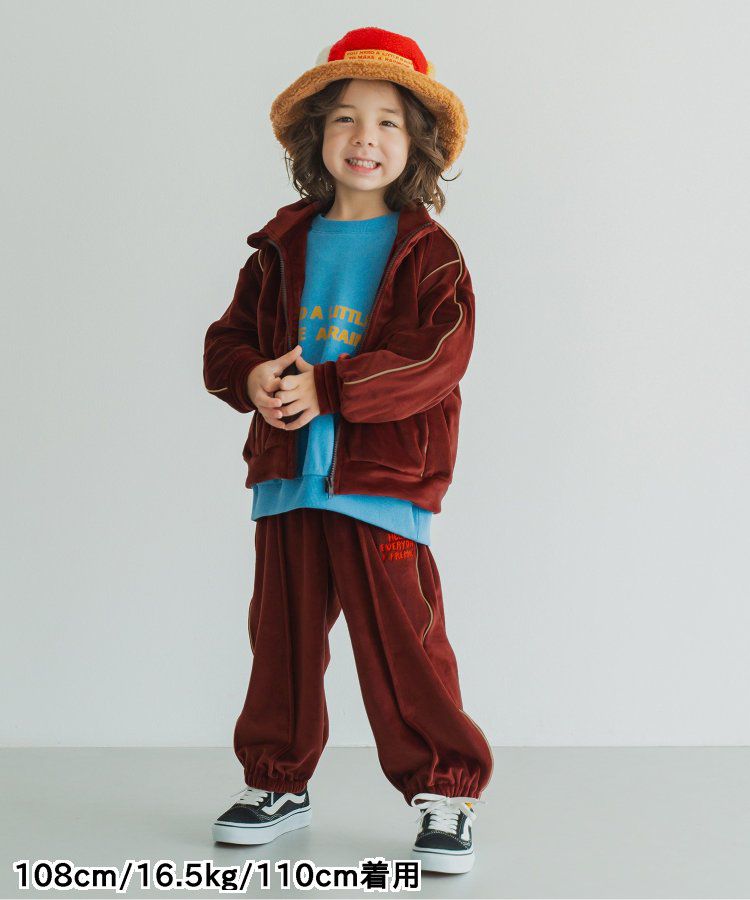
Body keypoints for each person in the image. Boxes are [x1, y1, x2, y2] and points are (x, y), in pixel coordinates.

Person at [203, 26, 493, 875]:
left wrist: (331, 389)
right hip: (289, 481)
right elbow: (226, 343)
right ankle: (276, 782)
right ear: (315, 137)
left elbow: (438, 357)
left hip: (381, 484)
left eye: (388, 122)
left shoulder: (428, 253)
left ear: (417, 145)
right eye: (344, 119)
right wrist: (253, 374)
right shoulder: (279, 246)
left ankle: (445, 790)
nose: (365, 138)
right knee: (281, 645)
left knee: (404, 647)